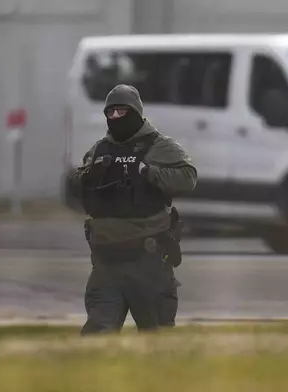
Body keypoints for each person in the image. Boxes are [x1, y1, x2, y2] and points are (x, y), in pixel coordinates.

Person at [68, 84, 197, 334]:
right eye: (110, 112)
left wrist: (149, 172)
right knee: (97, 338)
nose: (115, 117)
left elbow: (188, 177)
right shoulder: (99, 149)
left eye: (122, 111)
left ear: (136, 112)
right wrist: (92, 175)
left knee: (158, 340)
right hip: (107, 263)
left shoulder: (160, 146)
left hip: (148, 261)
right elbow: (75, 184)